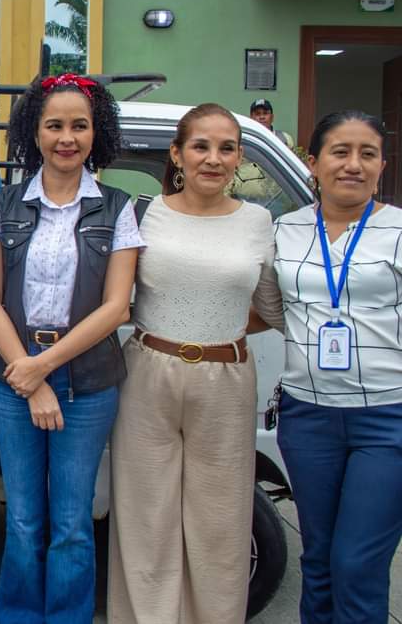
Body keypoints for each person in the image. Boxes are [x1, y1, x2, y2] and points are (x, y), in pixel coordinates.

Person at [0, 73, 141, 623]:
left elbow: (116, 307)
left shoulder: (117, 208)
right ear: (34, 132)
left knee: (72, 523)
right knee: (23, 519)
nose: (66, 138)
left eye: (79, 126)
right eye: (54, 125)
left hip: (86, 383)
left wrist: (41, 370)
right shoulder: (3, 203)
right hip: (14, 380)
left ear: (97, 133)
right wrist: (30, 379)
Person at [107, 103, 282, 623]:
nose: (213, 158)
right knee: (145, 517)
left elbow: (271, 308)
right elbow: (117, 298)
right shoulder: (143, 214)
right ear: (177, 154)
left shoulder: (258, 222)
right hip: (148, 371)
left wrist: (213, 329)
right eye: (200, 146)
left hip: (226, 378)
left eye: (226, 148)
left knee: (220, 522)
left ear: (239, 158)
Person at [271, 111, 402, 623]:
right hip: (308, 417)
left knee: (357, 563)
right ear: (314, 162)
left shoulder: (398, 229)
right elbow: (262, 303)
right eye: (340, 152)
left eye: (367, 154)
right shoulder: (284, 230)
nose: (353, 164)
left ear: (382, 166)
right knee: (320, 560)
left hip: (387, 419)